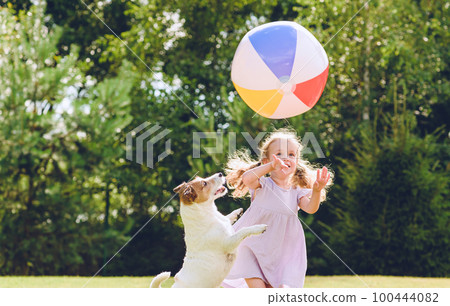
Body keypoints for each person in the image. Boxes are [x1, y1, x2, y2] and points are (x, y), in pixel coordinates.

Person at [221, 128, 333, 288]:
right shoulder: (263, 184)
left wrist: (316, 190)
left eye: (292, 155)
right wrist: (270, 167)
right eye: (279, 154)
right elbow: (247, 179)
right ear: (266, 161)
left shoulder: (297, 191)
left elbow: (311, 208)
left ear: (297, 162)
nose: (285, 158)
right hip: (252, 248)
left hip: (283, 253)